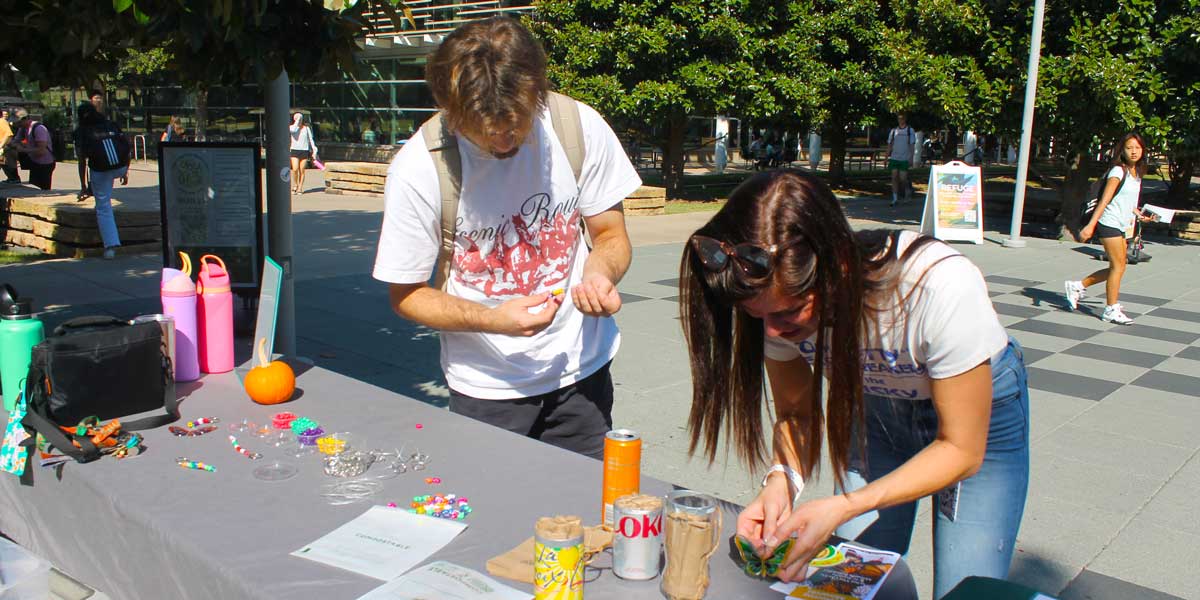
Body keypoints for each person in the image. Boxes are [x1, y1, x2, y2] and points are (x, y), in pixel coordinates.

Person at [680, 170, 1030, 598]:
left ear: (838, 269)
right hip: (876, 408)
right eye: (758, 317)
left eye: (789, 316)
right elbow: (795, 413)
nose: (771, 333)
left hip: (978, 422)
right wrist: (780, 481)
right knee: (846, 583)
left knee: (968, 589)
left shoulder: (937, 285)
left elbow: (961, 448)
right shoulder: (773, 299)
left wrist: (847, 504)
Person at [372, 16, 641, 459]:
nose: (503, 141)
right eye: (485, 131)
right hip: (486, 388)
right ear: (451, 110)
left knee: (586, 512)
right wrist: (493, 319)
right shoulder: (420, 167)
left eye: (515, 125)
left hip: (582, 374)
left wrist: (600, 276)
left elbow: (610, 234)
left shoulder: (577, 126)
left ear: (537, 93)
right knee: (493, 515)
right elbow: (405, 294)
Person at [1065, 132, 1152, 325]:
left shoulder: (1136, 173)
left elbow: (1128, 201)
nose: (1134, 151)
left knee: (1118, 267)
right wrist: (1090, 226)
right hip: (1108, 222)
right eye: (1129, 148)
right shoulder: (1118, 172)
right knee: (1118, 266)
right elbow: (1104, 201)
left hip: (1121, 224)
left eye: (1137, 148)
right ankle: (1110, 309)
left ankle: (1078, 286)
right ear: (1122, 151)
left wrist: (1139, 215)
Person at [76, 103, 130, 259]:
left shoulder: (82, 131)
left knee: (103, 206)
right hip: (120, 166)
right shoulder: (110, 124)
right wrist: (125, 171)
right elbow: (126, 147)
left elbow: (82, 160)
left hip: (101, 170)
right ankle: (111, 245)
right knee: (104, 189)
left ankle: (110, 246)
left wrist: (84, 186)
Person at [10, 108, 55, 190]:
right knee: (34, 189)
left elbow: (42, 151)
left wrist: (23, 149)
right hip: (34, 162)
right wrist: (18, 145)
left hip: (45, 164)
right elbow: (14, 142)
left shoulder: (39, 129)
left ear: (25, 119)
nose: (16, 124)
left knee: (44, 190)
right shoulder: (23, 128)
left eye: (18, 122)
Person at [75, 91, 107, 200]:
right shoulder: (87, 112)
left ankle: (90, 186)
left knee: (88, 162)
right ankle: (85, 186)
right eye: (96, 98)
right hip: (87, 140)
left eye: (100, 98)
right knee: (83, 161)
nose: (98, 100)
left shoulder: (101, 116)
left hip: (92, 141)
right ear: (91, 100)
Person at [887, 115, 915, 207]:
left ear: (905, 119)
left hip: (904, 158)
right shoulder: (893, 131)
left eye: (902, 118)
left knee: (903, 178)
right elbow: (890, 145)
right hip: (894, 157)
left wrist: (911, 157)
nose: (900, 120)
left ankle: (907, 189)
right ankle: (895, 198)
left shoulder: (909, 130)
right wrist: (886, 157)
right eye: (899, 118)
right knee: (894, 176)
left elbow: (912, 145)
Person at [288, 113, 317, 193]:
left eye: (300, 119)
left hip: (304, 151)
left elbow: (311, 140)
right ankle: (295, 184)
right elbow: (293, 130)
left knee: (302, 170)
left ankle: (300, 187)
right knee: (295, 169)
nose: (299, 120)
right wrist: (297, 121)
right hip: (294, 150)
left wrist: (314, 150)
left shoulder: (306, 128)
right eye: (297, 118)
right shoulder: (292, 127)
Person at [0, 108, 19, 183]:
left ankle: (14, 179)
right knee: (5, 165)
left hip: (6, 147)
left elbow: (9, 134)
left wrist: (1, 146)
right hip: (4, 148)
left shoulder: (1, 121)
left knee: (8, 164)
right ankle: (12, 179)